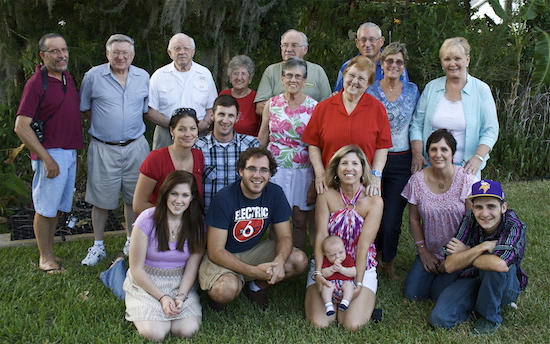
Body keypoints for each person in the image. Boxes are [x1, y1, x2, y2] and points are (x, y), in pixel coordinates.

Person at [198, 147, 308, 311]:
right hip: (223, 257)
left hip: (252, 251)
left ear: (270, 174)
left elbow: (285, 236)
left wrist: (278, 261)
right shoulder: (224, 198)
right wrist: (254, 271)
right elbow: (215, 250)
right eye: (251, 169)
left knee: (299, 260)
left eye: (264, 170)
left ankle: (256, 287)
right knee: (224, 290)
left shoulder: (275, 193)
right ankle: (226, 288)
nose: (257, 175)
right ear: (240, 171)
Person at [14, 33, 83, 273]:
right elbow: (21, 126)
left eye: (63, 50)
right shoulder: (36, 84)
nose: (61, 55)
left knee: (54, 207)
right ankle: (44, 257)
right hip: (50, 154)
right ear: (43, 55)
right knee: (45, 207)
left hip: (67, 152)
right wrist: (46, 158)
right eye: (54, 51)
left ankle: (50, 251)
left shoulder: (66, 79)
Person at [80, 34, 150, 266]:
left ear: (132, 55)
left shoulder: (143, 77)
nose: (121, 57)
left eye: (125, 53)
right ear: (107, 54)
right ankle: (98, 245)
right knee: (100, 199)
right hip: (103, 147)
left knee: (134, 198)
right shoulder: (93, 77)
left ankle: (131, 241)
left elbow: (144, 109)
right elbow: (85, 109)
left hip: (135, 146)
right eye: (116, 52)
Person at [430, 180, 527, 335]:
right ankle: (481, 302)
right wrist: (481, 247)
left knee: (492, 263)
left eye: (491, 206)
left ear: (503, 207)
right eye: (479, 207)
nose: (485, 213)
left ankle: (490, 317)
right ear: (473, 208)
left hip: (506, 284)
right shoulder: (470, 218)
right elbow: (449, 265)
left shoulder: (513, 224)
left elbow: (500, 265)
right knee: (440, 319)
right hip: (472, 277)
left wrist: (466, 253)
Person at [305, 145, 383, 330]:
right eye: (344, 163)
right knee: (320, 323)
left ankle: (359, 299)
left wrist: (358, 283)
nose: (349, 168)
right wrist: (318, 273)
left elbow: (363, 246)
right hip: (327, 263)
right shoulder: (325, 196)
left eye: (355, 163)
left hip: (359, 265)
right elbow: (321, 235)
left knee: (351, 324)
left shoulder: (374, 201)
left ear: (362, 169)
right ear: (336, 169)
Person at [123, 170, 206, 341]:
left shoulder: (197, 225)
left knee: (187, 330)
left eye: (185, 195)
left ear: (192, 198)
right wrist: (162, 297)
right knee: (155, 333)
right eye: (174, 194)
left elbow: (192, 268)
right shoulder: (146, 220)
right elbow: (136, 268)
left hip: (179, 282)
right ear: (165, 194)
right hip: (147, 281)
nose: (178, 200)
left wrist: (181, 297)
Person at [401, 129, 477, 301]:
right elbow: (413, 219)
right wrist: (423, 251)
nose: (438, 154)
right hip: (431, 250)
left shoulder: (467, 180)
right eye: (434, 149)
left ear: (452, 154)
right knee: (412, 294)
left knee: (438, 294)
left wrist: (454, 258)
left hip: (459, 251)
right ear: (427, 154)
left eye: (444, 149)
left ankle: (468, 274)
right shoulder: (417, 180)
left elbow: (472, 221)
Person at [302, 55, 392, 198]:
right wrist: (319, 174)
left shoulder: (378, 109)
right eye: (351, 75)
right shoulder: (323, 108)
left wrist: (376, 175)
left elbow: (382, 146)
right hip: (330, 182)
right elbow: (313, 144)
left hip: (365, 185)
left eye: (361, 78)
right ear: (344, 75)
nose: (354, 81)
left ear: (368, 83)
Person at [366, 42, 419, 280]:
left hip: (401, 161)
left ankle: (388, 262)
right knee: (371, 211)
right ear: (382, 64)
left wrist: (418, 154)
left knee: (392, 217)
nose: (394, 65)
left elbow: (417, 124)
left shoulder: (412, 90)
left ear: (404, 65)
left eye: (399, 62)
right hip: (374, 159)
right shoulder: (371, 91)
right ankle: (369, 259)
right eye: (389, 61)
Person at [410, 37, 499, 179]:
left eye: (457, 58)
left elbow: (491, 130)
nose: (452, 64)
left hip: (467, 170)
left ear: (467, 60)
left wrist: (478, 158)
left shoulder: (481, 90)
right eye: (447, 59)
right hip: (431, 167)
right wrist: (417, 154)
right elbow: (416, 125)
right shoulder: (431, 88)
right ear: (442, 62)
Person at [258, 57, 316, 249]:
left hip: (303, 170)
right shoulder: (272, 104)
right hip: (276, 169)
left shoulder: (314, 108)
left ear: (304, 80)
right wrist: (256, 168)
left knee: (300, 221)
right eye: (289, 75)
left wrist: (316, 179)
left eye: (298, 76)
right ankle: (274, 258)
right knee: (276, 219)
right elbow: (263, 137)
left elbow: (318, 144)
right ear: (282, 79)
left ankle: (295, 261)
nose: (293, 80)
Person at [147, 33, 217, 149]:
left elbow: (212, 106)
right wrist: (172, 126)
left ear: (193, 52)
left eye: (186, 48)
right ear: (170, 53)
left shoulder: (204, 74)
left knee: (196, 165)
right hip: (166, 133)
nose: (182, 52)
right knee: (164, 166)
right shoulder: (159, 75)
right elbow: (149, 110)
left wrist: (206, 123)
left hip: (198, 134)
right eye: (177, 48)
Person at [194, 94, 259, 212]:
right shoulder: (198, 147)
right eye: (221, 114)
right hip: (208, 216)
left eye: (230, 115)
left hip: (241, 216)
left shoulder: (251, 145)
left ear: (237, 117)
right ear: (212, 115)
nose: (225, 120)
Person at [133, 108, 204, 215]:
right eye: (182, 129)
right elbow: (138, 205)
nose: (188, 134)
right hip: (159, 221)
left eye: (192, 128)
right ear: (172, 131)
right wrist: (173, 215)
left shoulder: (198, 156)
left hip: (189, 224)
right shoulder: (156, 159)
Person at [254, 29, 331, 117]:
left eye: (294, 45)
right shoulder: (271, 71)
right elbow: (260, 107)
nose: (289, 49)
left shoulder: (317, 71)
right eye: (285, 45)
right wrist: (288, 119)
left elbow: (327, 106)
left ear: (305, 49)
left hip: (310, 127)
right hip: (279, 128)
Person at [333, 22, 409, 92]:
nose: (367, 44)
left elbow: (406, 94)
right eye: (363, 40)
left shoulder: (395, 66)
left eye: (372, 40)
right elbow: (338, 96)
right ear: (357, 43)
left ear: (381, 41)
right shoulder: (347, 67)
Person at [219, 55, 260, 136]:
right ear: (230, 78)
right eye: (235, 73)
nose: (239, 77)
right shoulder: (223, 95)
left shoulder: (256, 98)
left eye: (243, 74)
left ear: (250, 79)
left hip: (248, 146)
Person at [320, 235, 356, 316]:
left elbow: (353, 272)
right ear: (325, 254)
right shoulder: (325, 261)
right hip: (331, 283)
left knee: (349, 286)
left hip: (344, 283)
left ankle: (345, 302)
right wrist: (331, 269)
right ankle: (328, 305)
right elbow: (323, 273)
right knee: (326, 287)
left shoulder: (348, 258)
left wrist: (341, 269)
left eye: (341, 252)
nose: (338, 256)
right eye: (333, 255)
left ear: (344, 249)